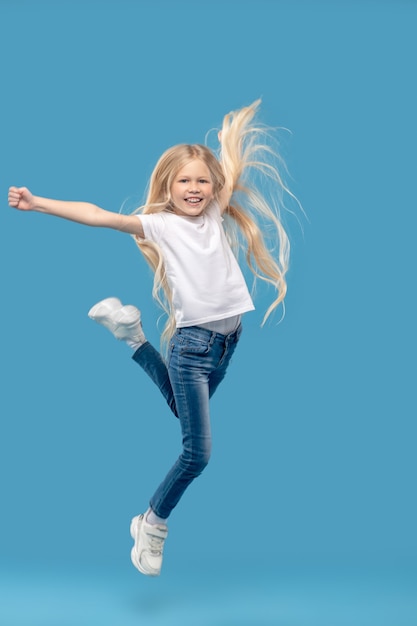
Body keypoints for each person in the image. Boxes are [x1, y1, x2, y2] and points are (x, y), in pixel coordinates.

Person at [8, 100, 295, 577]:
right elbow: (98, 215)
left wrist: (226, 145)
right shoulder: (160, 225)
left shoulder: (215, 213)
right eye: (184, 180)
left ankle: (132, 337)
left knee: (185, 413)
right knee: (197, 452)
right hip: (192, 348)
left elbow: (228, 171)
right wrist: (39, 203)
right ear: (168, 186)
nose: (195, 188)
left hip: (228, 342)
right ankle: (152, 522)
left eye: (203, 180)